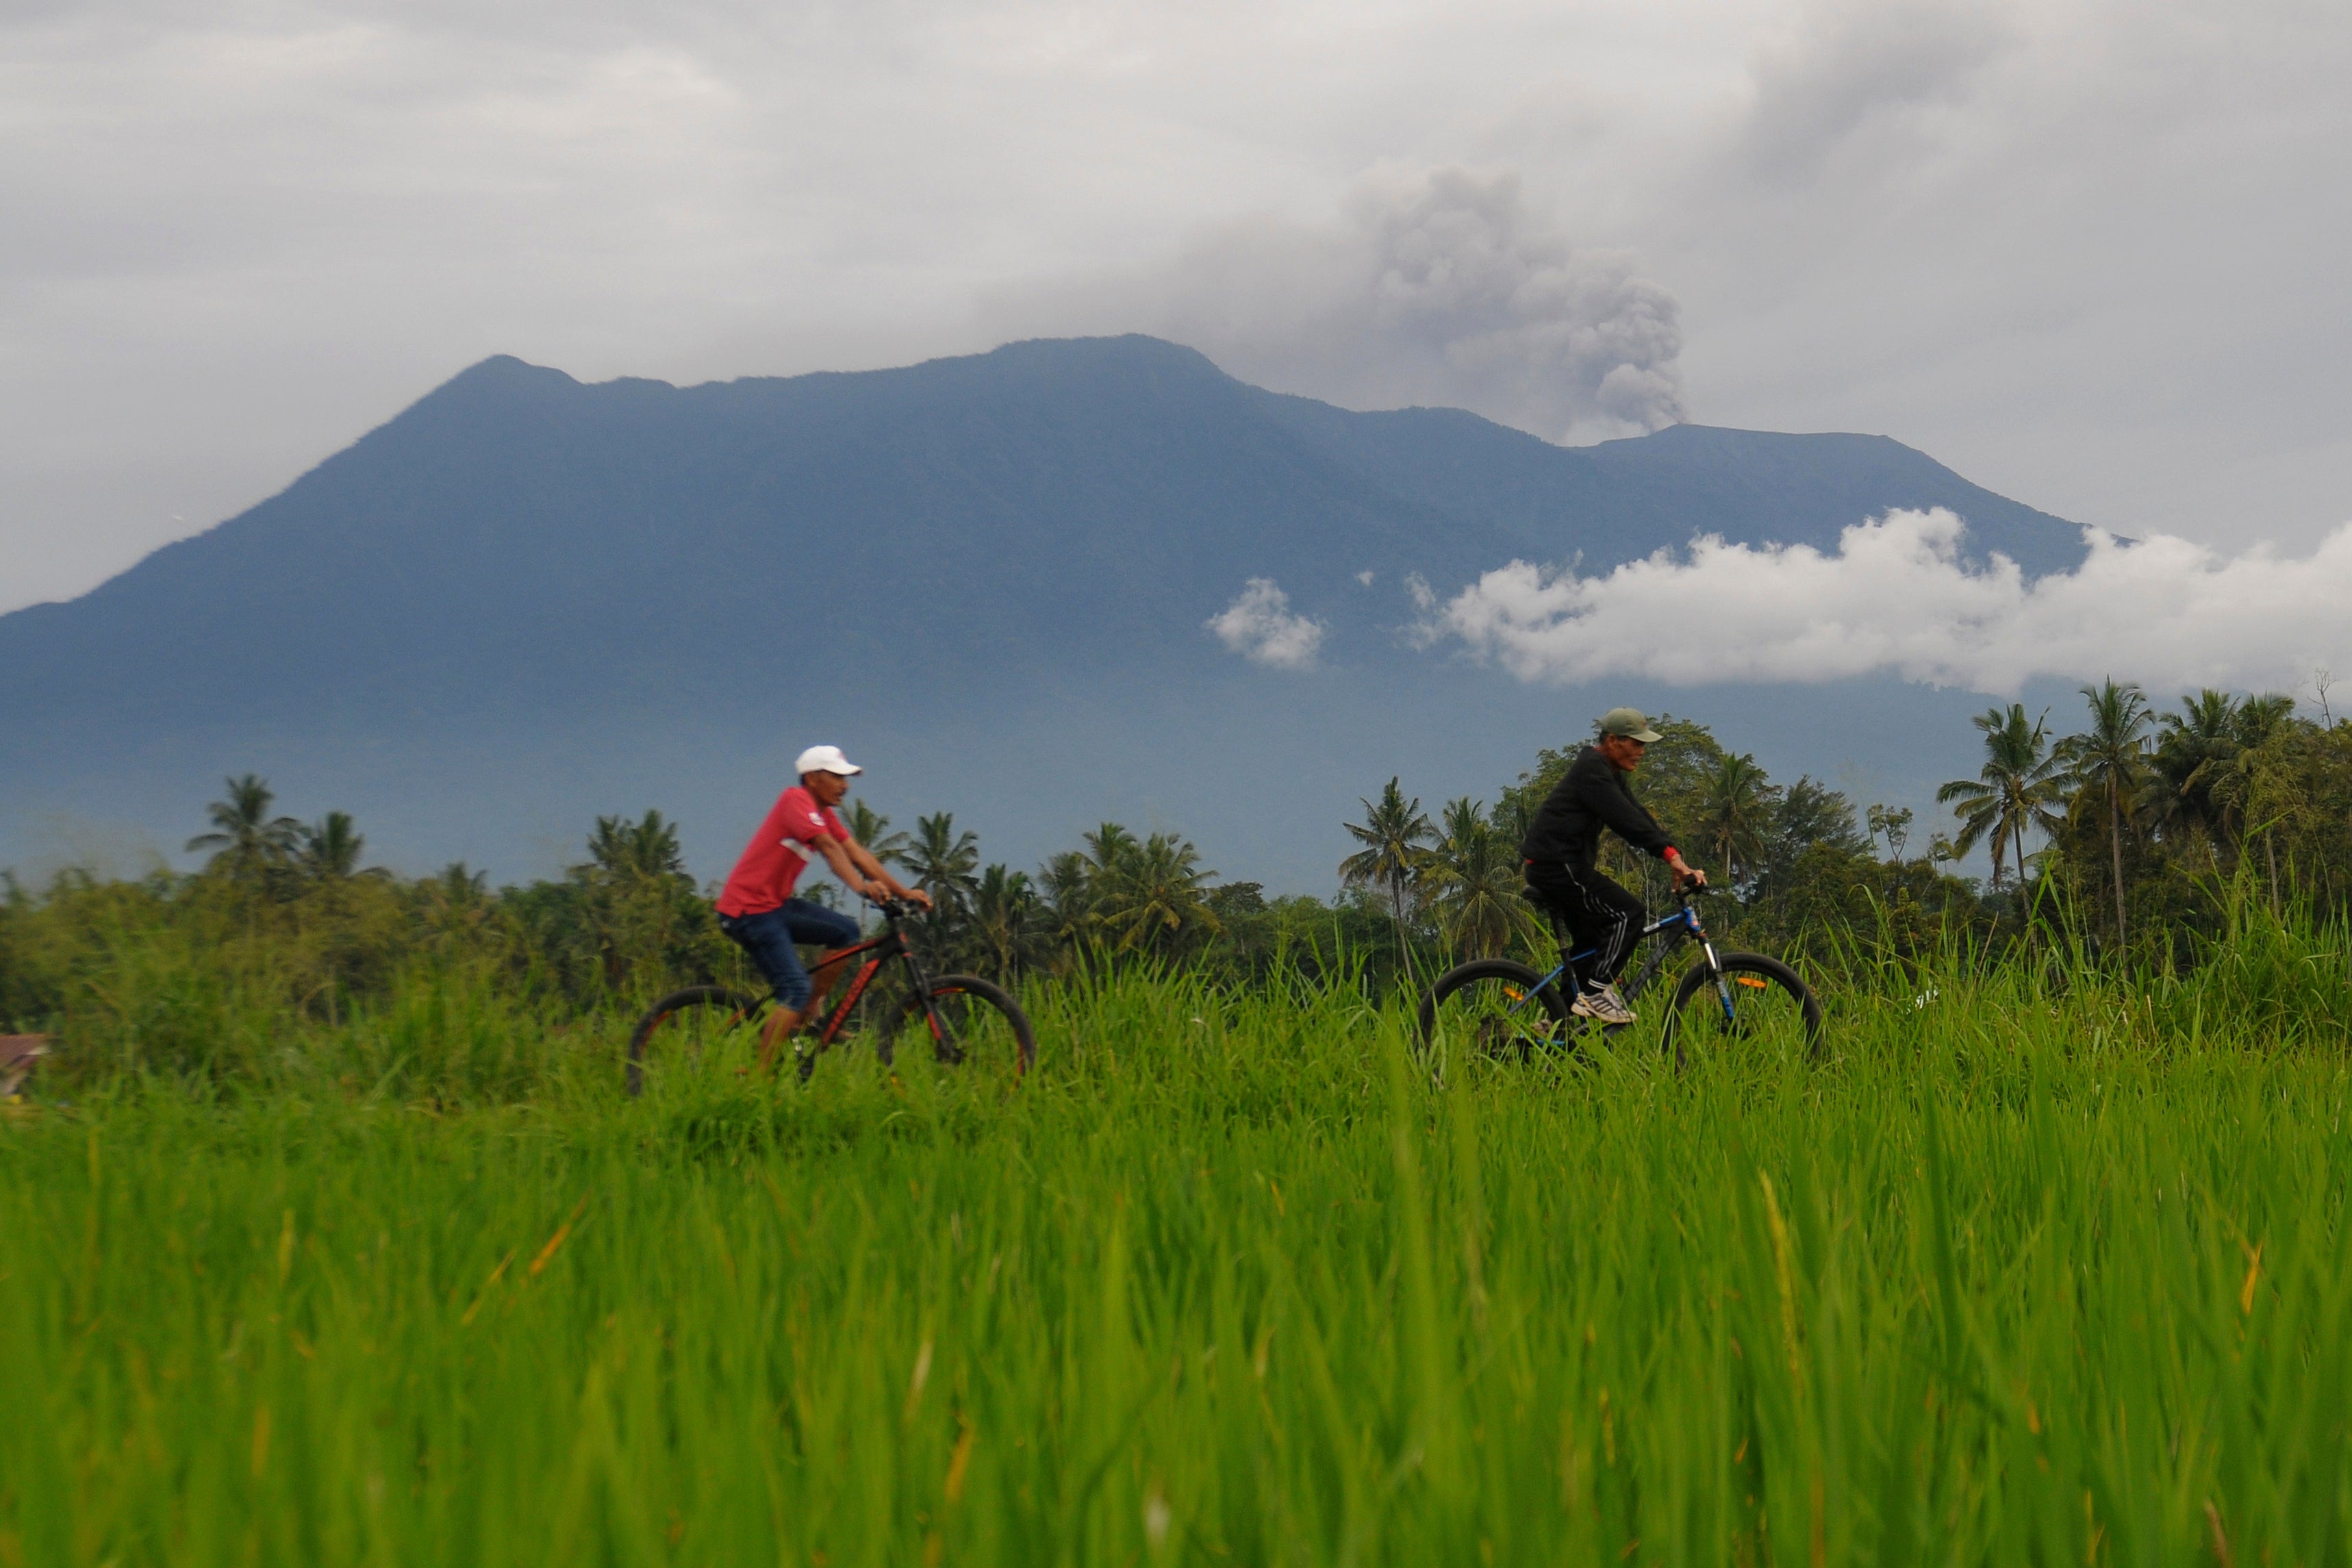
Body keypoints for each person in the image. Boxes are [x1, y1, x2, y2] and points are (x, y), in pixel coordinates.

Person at [713, 745, 931, 1071]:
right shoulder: (794, 801)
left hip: (775, 906)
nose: (844, 786)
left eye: (847, 779)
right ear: (813, 778)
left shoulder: (824, 813)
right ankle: (760, 1079)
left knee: (846, 932)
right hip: (747, 911)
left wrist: (903, 892)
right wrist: (862, 888)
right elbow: (829, 848)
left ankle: (806, 1013)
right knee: (795, 987)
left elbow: (857, 854)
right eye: (836, 777)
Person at [1519, 708, 1706, 1026]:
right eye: (1635, 743)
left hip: (1561, 867)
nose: (1642, 752)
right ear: (1611, 741)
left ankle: (1558, 1025)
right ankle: (1595, 995)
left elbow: (1638, 814)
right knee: (1629, 914)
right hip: (1557, 867)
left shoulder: (1608, 772)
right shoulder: (1592, 770)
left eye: (1643, 745)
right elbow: (1625, 820)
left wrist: (1675, 856)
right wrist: (1670, 858)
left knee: (1592, 945)